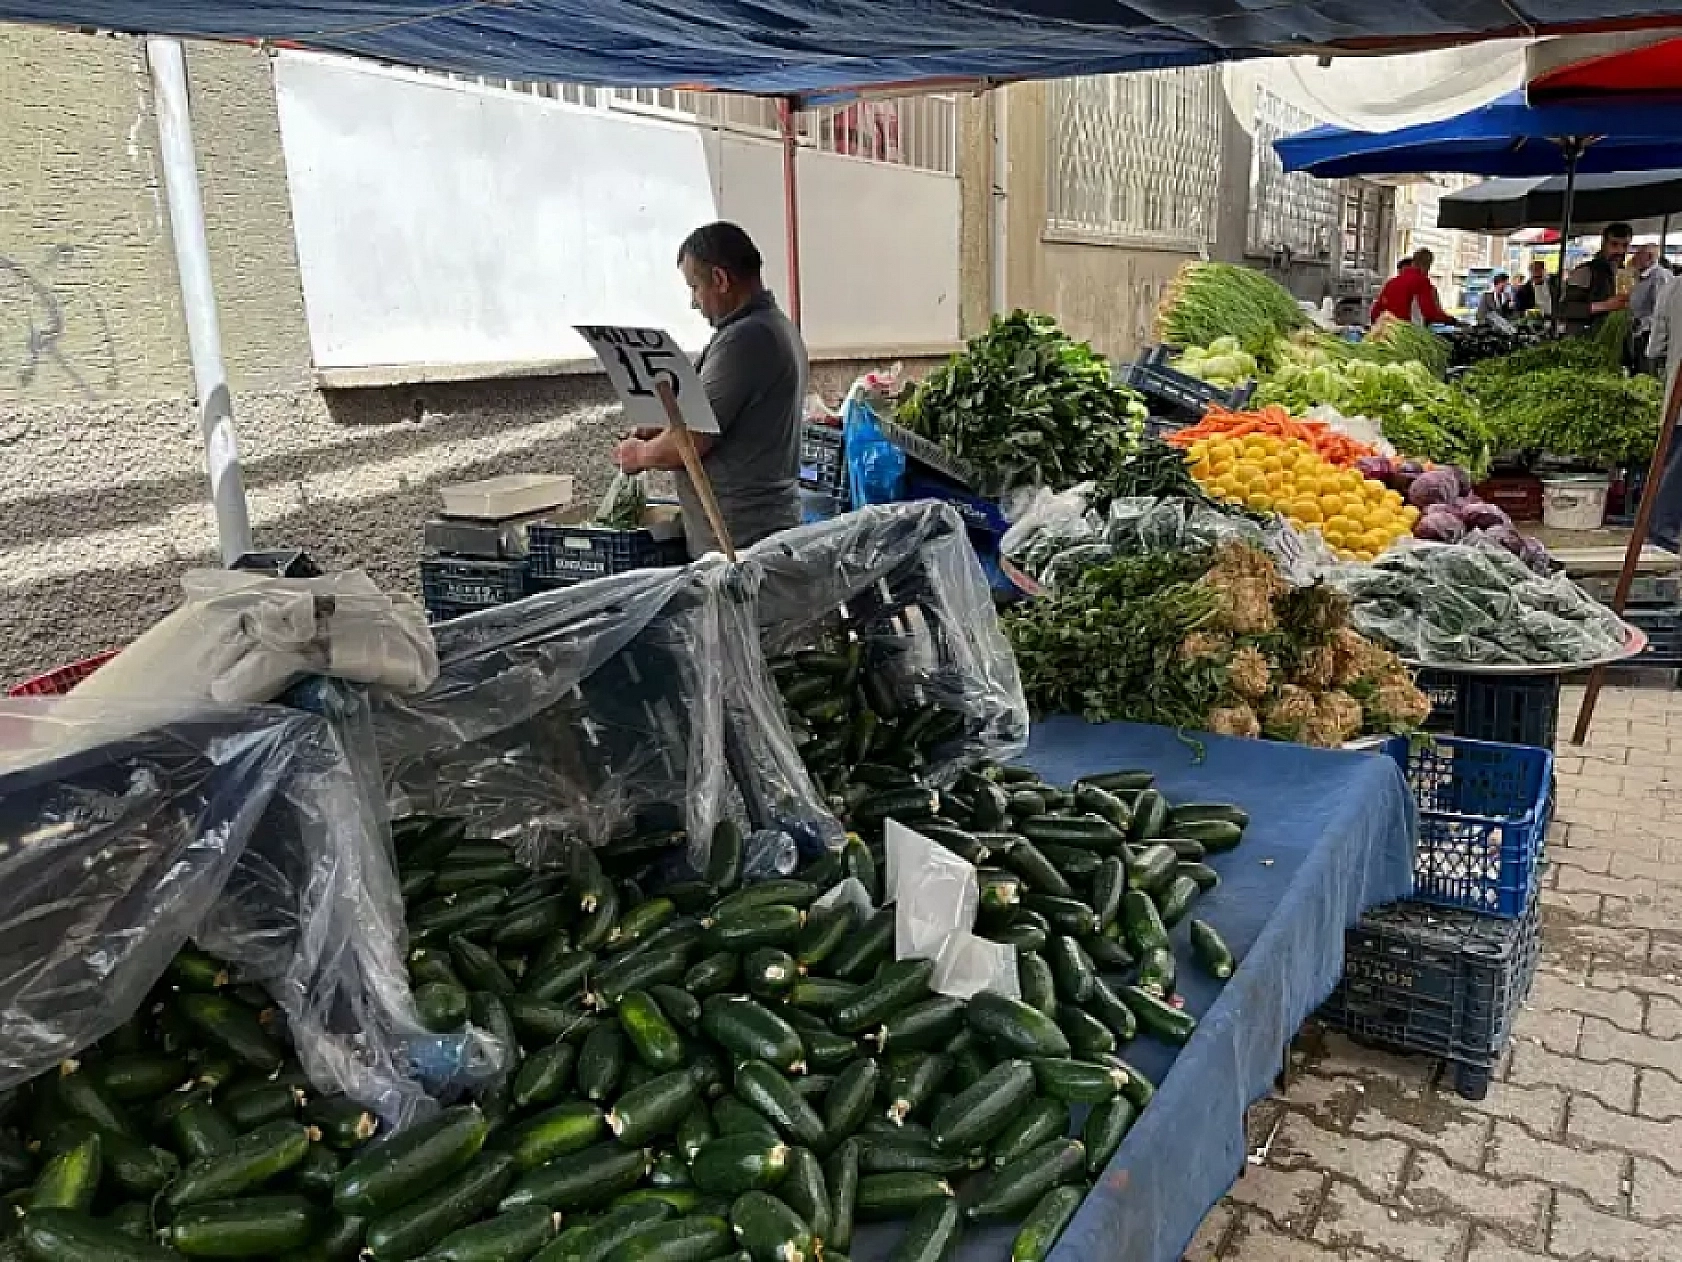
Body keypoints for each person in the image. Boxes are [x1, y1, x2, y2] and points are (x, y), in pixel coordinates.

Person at [613, 222, 806, 558]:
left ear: (720, 279)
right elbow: (714, 413)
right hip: (753, 533)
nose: (693, 302)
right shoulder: (772, 327)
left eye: (695, 287)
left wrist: (640, 455)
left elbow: (692, 439)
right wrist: (657, 428)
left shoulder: (746, 340)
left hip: (740, 542)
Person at [1558, 222, 1632, 334]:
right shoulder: (1585, 271)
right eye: (1614, 244)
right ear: (1604, 244)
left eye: (1625, 245)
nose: (1620, 251)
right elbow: (1564, 309)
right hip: (1585, 339)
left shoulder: (1625, 273)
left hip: (1614, 337)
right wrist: (1605, 305)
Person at [1370, 249, 1460, 327]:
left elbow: (1375, 312)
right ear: (1427, 265)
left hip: (1388, 332)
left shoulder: (1391, 282)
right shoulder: (1421, 281)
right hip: (1407, 332)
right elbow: (1429, 313)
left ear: (1413, 262)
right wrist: (1451, 320)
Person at [1630, 242, 1673, 368]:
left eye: (1638, 254)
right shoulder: (1639, 275)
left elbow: (1662, 311)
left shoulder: (1660, 276)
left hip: (1649, 336)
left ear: (1649, 257)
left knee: (1647, 370)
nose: (1634, 257)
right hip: (1639, 334)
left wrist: (1640, 322)